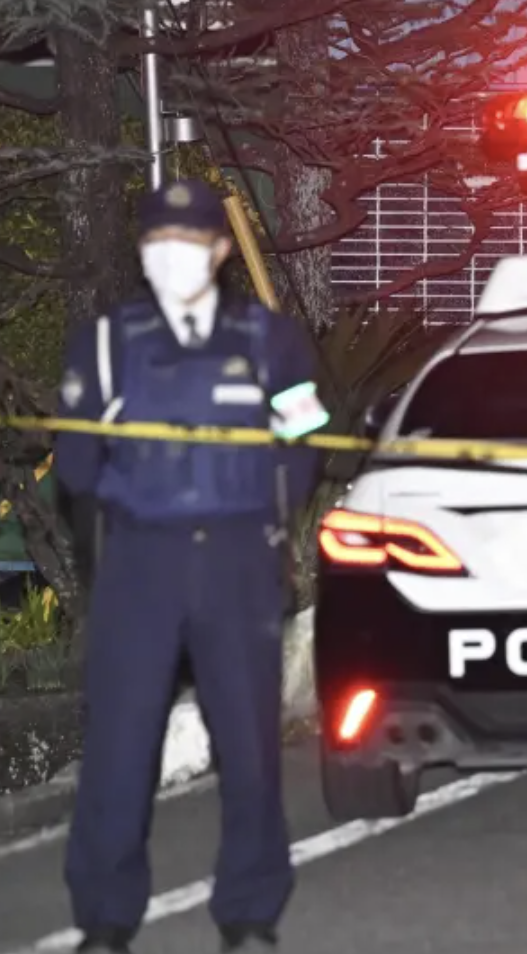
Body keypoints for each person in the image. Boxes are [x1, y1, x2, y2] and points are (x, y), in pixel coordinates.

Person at [53, 179, 326, 953]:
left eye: (188, 241)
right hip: (141, 563)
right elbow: (75, 460)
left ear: (216, 249)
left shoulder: (269, 339)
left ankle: (249, 913)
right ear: (144, 252)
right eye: (157, 241)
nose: (172, 255)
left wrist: (267, 525)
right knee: (118, 746)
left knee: (248, 748)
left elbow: (305, 439)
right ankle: (104, 918)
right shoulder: (106, 343)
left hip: (239, 560)